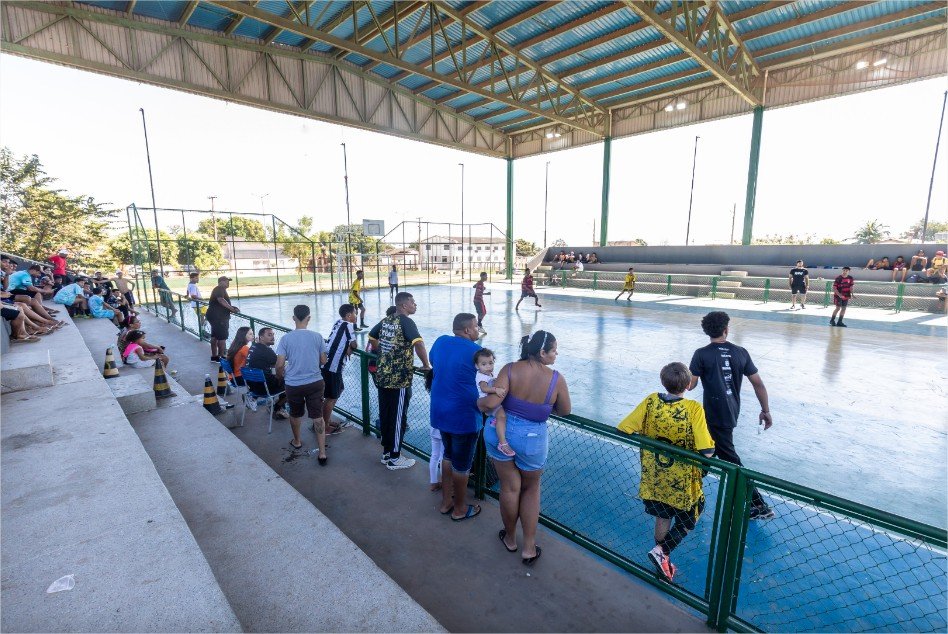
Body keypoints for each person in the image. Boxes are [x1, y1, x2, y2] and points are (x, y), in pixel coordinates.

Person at [479, 330, 571, 565]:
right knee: (531, 489)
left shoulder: (510, 369)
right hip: (532, 437)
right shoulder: (556, 378)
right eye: (553, 350)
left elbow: (490, 402)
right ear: (542, 352)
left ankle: (510, 538)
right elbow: (565, 410)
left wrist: (477, 401)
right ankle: (529, 547)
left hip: (501, 433)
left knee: (509, 488)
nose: (556, 354)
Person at [618, 362, 714, 583]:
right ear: (689, 384)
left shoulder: (651, 401)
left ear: (663, 381)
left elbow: (625, 427)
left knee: (663, 515)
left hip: (655, 477)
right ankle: (663, 551)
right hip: (681, 481)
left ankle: (662, 559)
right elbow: (707, 451)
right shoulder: (693, 409)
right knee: (695, 511)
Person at [688, 311, 774, 519]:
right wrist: (766, 410)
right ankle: (690, 490)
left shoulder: (701, 354)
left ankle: (759, 504)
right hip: (731, 410)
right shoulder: (741, 352)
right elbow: (758, 384)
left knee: (728, 457)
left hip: (714, 413)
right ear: (726, 330)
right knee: (706, 449)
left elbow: (690, 385)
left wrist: (676, 378)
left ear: (706, 331)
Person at [429, 313, 484, 521]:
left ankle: (446, 502)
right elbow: (485, 378)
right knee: (463, 466)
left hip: (441, 412)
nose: (478, 330)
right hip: (464, 417)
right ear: (468, 330)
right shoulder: (476, 351)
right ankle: (460, 509)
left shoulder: (441, 341)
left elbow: (434, 362)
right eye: (476, 326)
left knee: (448, 456)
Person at [367, 291, 431, 470]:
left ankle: (387, 452)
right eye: (413, 302)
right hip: (399, 379)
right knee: (398, 418)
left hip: (383, 375)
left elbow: (372, 336)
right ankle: (395, 458)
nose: (415, 305)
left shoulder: (386, 320)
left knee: (387, 414)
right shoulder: (406, 321)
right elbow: (418, 343)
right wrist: (426, 365)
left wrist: (384, 352)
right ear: (404, 305)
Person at [276, 305, 328, 462]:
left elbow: (279, 364)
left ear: (293, 318)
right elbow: (323, 360)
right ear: (309, 318)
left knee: (295, 413)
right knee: (318, 416)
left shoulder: (286, 338)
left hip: (293, 384)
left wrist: (280, 376)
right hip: (315, 382)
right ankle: (322, 452)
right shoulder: (317, 336)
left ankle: (297, 441)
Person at [321, 304, 358, 435]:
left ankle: (325, 421)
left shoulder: (338, 322)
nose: (356, 315)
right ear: (349, 315)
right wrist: (351, 346)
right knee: (331, 397)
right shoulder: (348, 325)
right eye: (355, 313)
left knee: (338, 390)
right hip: (333, 366)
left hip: (327, 363)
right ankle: (324, 427)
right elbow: (354, 344)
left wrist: (347, 346)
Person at [476, 349, 514, 457]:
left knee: (501, 415)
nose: (488, 366)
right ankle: (502, 443)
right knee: (502, 416)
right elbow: (484, 388)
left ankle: (495, 421)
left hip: (488, 402)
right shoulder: (481, 377)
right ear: (477, 365)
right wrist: (496, 389)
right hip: (487, 402)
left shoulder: (488, 374)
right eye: (484, 364)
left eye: (490, 363)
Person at [244, 327, 288, 419]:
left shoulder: (253, 346)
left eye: (273, 335)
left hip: (252, 386)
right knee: (292, 384)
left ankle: (260, 400)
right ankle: (277, 407)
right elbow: (280, 365)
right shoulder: (267, 350)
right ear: (261, 337)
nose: (273, 337)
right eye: (269, 335)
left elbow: (271, 363)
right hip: (263, 388)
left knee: (278, 377)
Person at [206, 276, 239, 362]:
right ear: (221, 282)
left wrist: (231, 307)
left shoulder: (218, 289)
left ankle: (214, 356)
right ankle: (221, 357)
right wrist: (232, 309)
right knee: (222, 338)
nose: (228, 283)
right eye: (226, 281)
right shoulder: (220, 288)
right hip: (219, 318)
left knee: (214, 336)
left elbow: (220, 303)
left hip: (213, 316)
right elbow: (221, 300)